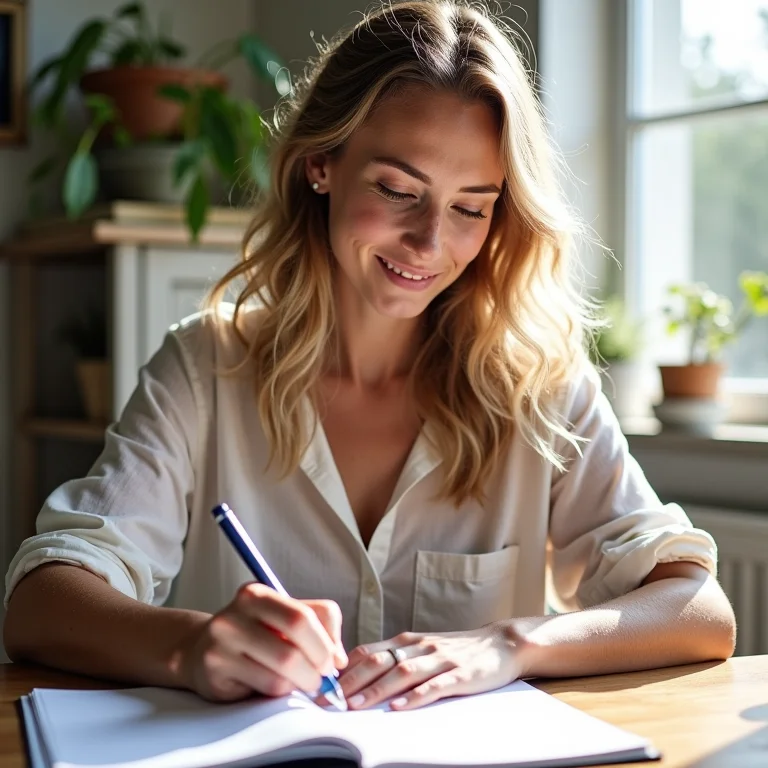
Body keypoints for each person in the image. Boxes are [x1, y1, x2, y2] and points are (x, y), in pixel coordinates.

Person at [4, 0, 735, 712]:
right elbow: (40, 599)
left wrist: (509, 644)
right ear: (321, 164)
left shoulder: (536, 383)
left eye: (471, 207)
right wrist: (191, 647)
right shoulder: (205, 365)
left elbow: (699, 609)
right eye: (397, 189)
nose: (429, 243)